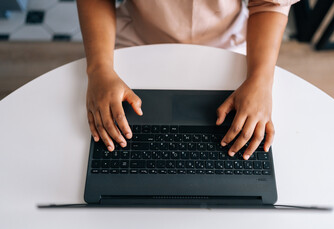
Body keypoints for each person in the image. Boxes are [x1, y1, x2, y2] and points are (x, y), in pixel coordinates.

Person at [77, 0, 299, 160]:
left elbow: (269, 3)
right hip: (137, 39)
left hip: (229, 43)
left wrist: (261, 80)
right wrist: (98, 69)